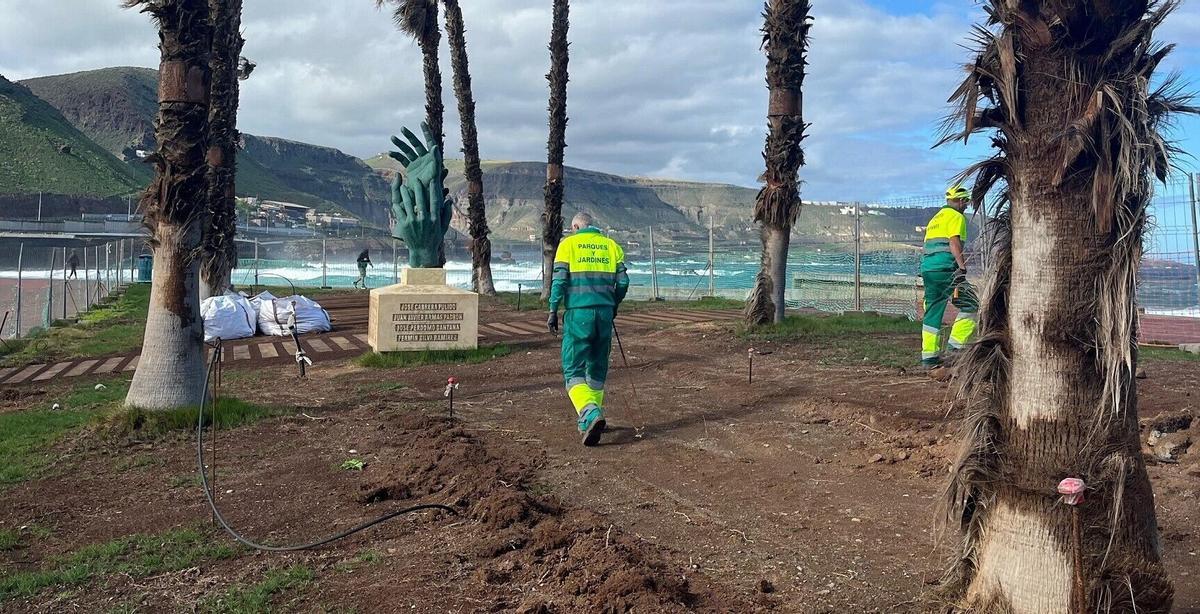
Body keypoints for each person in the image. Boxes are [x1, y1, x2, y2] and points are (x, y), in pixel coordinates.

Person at [547, 213, 630, 446]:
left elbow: (560, 281)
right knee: (597, 365)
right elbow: (623, 283)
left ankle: (590, 412)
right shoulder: (611, 246)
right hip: (604, 313)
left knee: (573, 369)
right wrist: (612, 304)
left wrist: (553, 310)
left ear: (575, 226)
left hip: (578, 314)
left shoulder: (568, 245)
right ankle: (588, 421)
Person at [920, 185, 979, 377]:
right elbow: (954, 242)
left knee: (933, 311)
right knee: (971, 304)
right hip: (947, 269)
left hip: (929, 269)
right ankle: (955, 351)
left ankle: (929, 359)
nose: (966, 207)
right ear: (961, 201)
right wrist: (961, 267)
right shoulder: (956, 217)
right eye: (966, 203)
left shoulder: (935, 219)